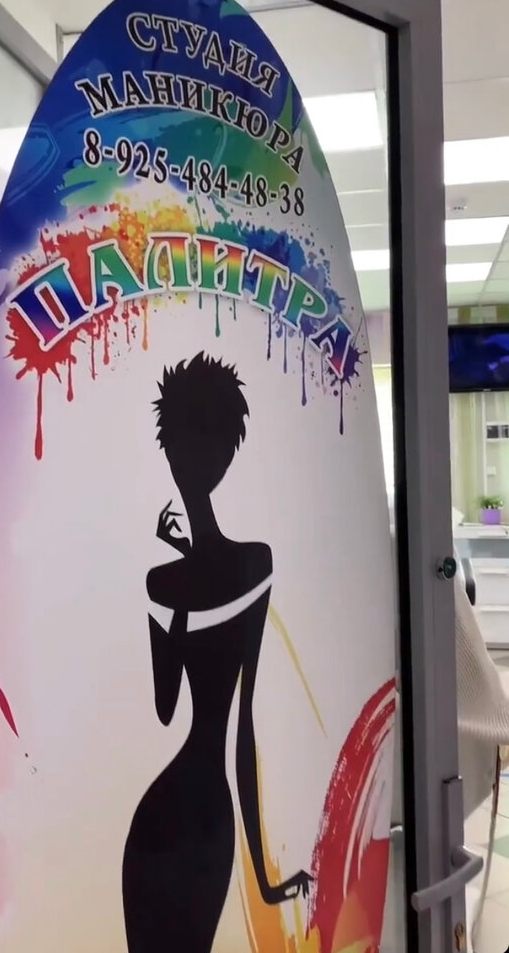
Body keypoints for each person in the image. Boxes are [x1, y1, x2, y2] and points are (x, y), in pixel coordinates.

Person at [122, 352, 310, 953]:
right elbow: (225, 723)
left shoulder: (168, 583)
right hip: (195, 816)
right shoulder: (249, 565)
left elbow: (175, 709)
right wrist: (266, 881)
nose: (182, 461)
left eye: (187, 447)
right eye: (181, 448)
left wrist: (174, 601)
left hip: (179, 816)